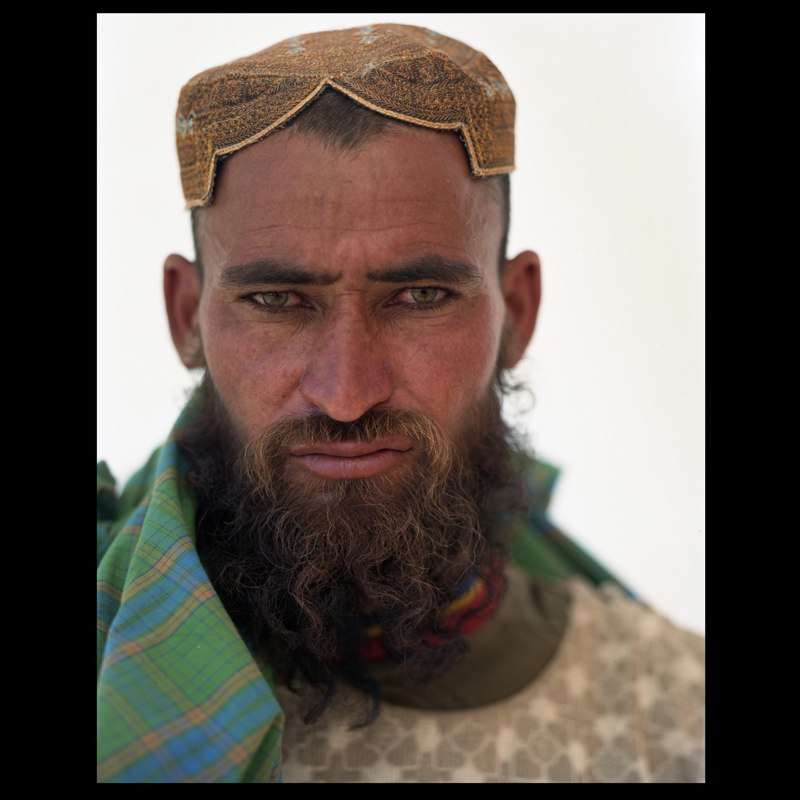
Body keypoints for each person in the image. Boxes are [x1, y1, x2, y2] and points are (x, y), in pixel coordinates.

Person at [97, 23, 704, 783]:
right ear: (187, 316)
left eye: (420, 296)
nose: (347, 393)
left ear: (516, 311)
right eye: (277, 300)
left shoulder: (674, 717)